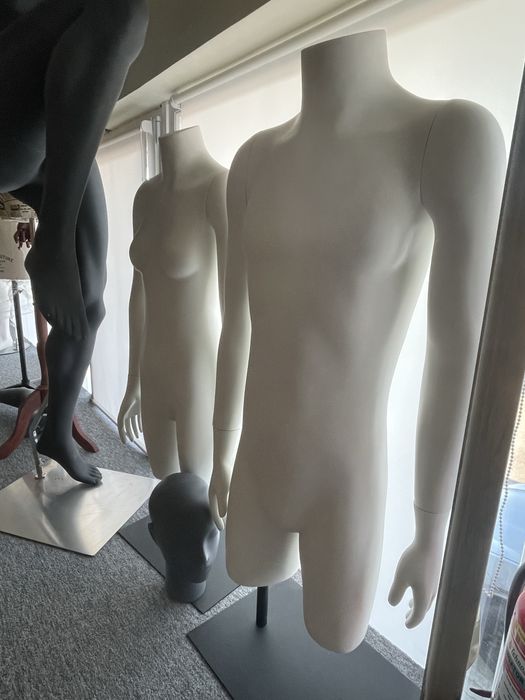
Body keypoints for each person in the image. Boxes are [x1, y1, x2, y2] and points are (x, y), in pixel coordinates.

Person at [0, 0, 149, 485]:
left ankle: (57, 431)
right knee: (122, 9)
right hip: (11, 121)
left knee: (88, 304)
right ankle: (54, 244)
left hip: (50, 137)